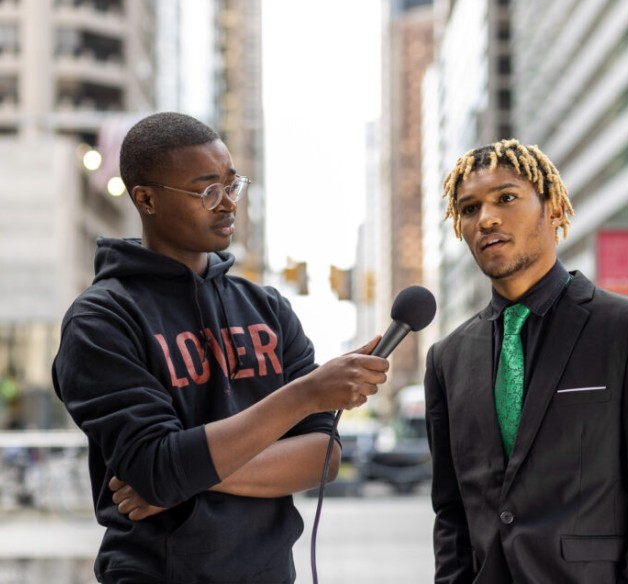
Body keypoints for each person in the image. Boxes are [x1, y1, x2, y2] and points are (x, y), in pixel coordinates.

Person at [52, 112, 389, 584]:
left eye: (233, 184)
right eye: (207, 190)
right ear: (145, 199)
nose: (228, 203)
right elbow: (154, 466)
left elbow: (323, 456)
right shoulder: (102, 320)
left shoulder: (266, 308)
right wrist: (305, 395)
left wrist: (183, 477)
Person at [423, 139, 628, 584]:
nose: (486, 218)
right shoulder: (447, 358)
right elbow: (452, 510)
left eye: (506, 198)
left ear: (553, 208)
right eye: (469, 208)